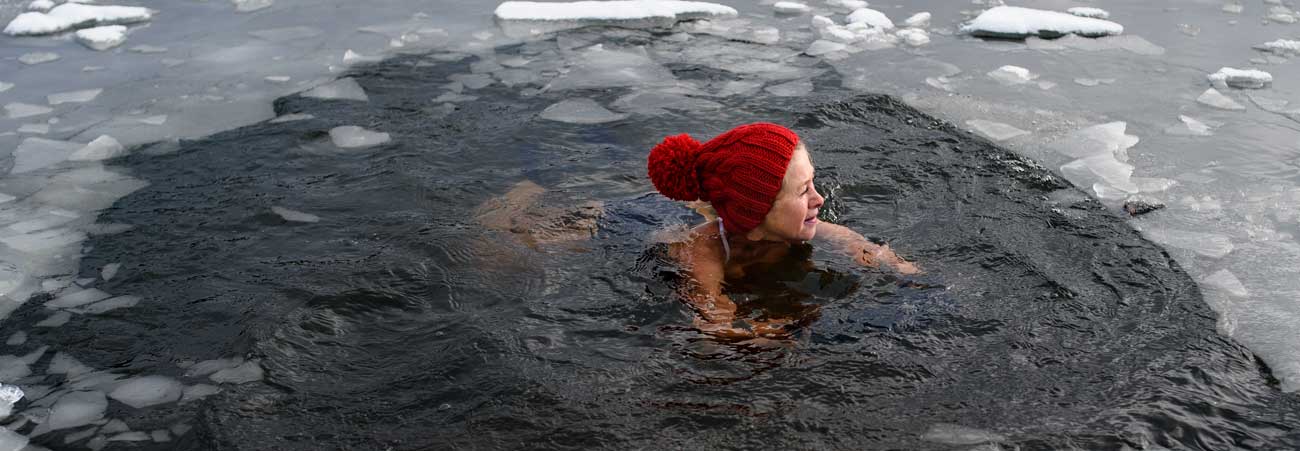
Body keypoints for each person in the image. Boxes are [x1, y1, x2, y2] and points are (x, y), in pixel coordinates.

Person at [647, 122, 919, 338]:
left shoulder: (796, 226)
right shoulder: (703, 253)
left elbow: (857, 244)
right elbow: (712, 321)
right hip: (646, 219)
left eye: (813, 182)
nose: (819, 199)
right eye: (803, 191)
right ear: (757, 216)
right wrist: (766, 331)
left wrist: (896, 267)